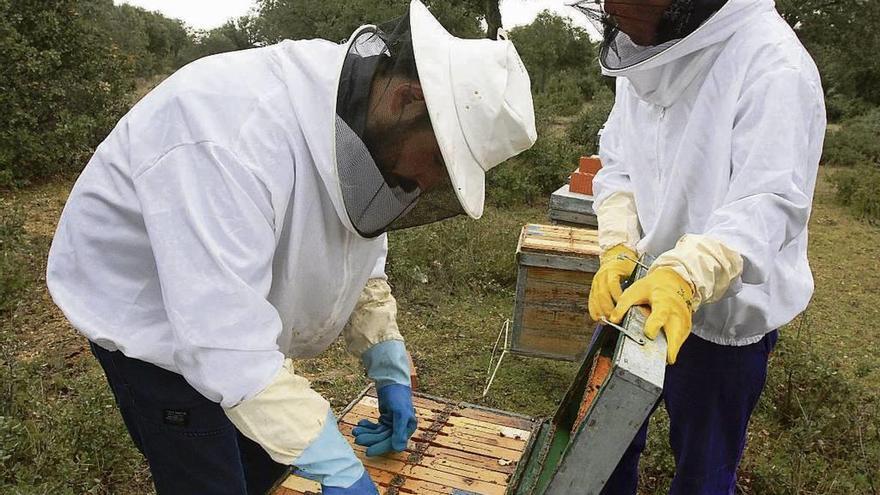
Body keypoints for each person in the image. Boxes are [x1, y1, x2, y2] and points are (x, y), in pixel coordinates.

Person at [45, 1, 536, 494]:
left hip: (235, 318)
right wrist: (340, 470)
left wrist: (386, 362)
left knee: (264, 463)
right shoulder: (227, 134)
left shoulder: (359, 125)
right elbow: (223, 339)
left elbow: (358, 258)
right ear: (408, 101)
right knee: (209, 475)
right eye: (437, 159)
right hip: (153, 325)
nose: (426, 183)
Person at [572, 0, 825, 493]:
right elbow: (618, 163)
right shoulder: (642, 55)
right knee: (602, 450)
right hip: (640, 295)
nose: (610, 11)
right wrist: (619, 247)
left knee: (703, 475)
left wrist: (684, 275)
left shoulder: (775, 64)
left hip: (725, 320)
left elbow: (768, 203)